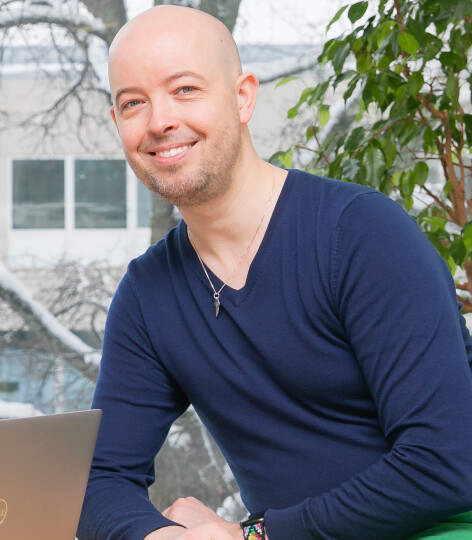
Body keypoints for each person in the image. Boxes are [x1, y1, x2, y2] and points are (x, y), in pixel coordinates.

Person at [76, 6, 472, 540]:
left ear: (242, 96)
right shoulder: (149, 294)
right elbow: (97, 480)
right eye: (133, 103)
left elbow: (446, 464)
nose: (159, 121)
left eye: (185, 89)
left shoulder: (361, 233)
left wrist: (254, 536)